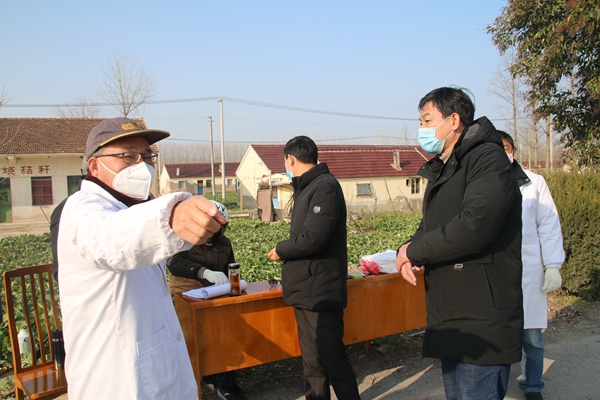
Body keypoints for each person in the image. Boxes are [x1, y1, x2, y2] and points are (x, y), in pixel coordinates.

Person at [57, 117, 228, 400]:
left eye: (147, 157)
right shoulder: (82, 209)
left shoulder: (132, 207)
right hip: (115, 382)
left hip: (156, 367)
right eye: (128, 156)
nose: (142, 166)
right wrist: (171, 217)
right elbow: (109, 239)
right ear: (95, 165)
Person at [395, 87, 524, 400]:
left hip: (481, 314)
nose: (422, 129)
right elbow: (431, 225)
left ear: (453, 120)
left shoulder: (487, 159)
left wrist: (414, 251)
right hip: (453, 314)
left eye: (427, 121)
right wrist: (407, 248)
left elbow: (474, 226)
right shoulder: (446, 166)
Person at [267, 136, 361, 400]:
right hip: (307, 288)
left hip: (321, 289)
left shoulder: (324, 186)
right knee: (312, 362)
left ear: (291, 159)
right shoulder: (307, 187)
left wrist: (282, 249)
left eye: (285, 161)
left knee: (332, 359)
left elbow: (314, 237)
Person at [498, 130, 564, 400]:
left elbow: (548, 224)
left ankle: (533, 384)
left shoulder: (535, 183)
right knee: (498, 336)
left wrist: (553, 264)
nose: (502, 153)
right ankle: (495, 388)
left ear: (513, 150)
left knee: (532, 337)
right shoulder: (481, 182)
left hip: (529, 270)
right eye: (496, 148)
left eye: (506, 147)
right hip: (497, 271)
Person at [166, 201, 247, 400]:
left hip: (213, 293)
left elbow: (230, 267)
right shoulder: (184, 237)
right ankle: (200, 377)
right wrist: (203, 272)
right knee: (193, 339)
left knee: (223, 333)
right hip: (185, 294)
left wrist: (233, 282)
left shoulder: (224, 243)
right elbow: (174, 262)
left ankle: (225, 384)